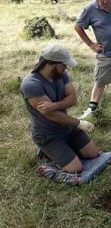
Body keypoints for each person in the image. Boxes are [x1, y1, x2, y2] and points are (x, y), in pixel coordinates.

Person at [21, 43, 99, 173]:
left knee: (93, 154)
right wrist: (78, 123)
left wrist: (54, 105)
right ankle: (48, 158)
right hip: (48, 135)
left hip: (67, 128)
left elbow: (73, 99)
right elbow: (51, 115)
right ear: (51, 63)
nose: (66, 67)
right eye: (63, 64)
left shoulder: (61, 74)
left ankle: (65, 152)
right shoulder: (31, 84)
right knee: (76, 169)